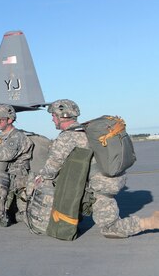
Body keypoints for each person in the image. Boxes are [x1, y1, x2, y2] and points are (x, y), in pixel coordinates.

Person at [29, 99, 159, 238]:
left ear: (63, 116)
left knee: (111, 228)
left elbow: (54, 164)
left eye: (54, 116)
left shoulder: (68, 136)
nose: (53, 120)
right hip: (109, 179)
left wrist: (40, 178)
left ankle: (151, 222)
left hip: (100, 185)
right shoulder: (85, 130)